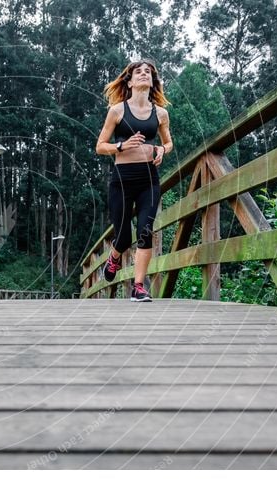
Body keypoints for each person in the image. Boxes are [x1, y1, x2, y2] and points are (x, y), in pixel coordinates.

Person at [95, 60, 173, 302]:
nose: (143, 74)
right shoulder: (117, 111)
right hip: (122, 179)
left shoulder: (160, 113)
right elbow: (100, 146)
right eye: (138, 72)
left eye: (147, 72)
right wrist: (121, 145)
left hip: (149, 179)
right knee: (123, 236)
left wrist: (162, 150)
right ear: (129, 81)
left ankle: (138, 287)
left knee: (145, 231)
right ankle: (114, 257)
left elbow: (168, 142)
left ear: (152, 81)